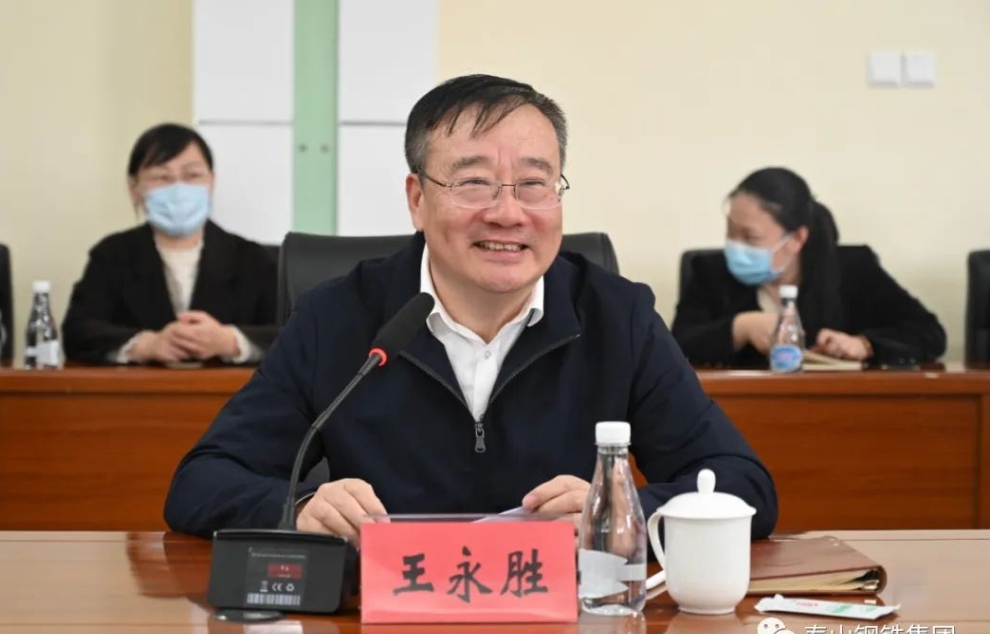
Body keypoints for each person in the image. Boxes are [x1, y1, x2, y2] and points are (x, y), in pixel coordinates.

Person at [164, 75, 778, 545]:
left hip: (564, 633)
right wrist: (297, 509)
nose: (508, 213)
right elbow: (201, 482)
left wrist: (621, 513)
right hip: (381, 630)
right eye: (473, 182)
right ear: (417, 199)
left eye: (534, 184)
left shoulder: (619, 316)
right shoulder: (338, 317)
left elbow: (743, 484)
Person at [672, 167, 946, 368]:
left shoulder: (852, 269)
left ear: (797, 239)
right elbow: (676, 346)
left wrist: (865, 344)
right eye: (731, 232)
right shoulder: (711, 273)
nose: (736, 245)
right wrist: (739, 328)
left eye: (751, 237)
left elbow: (929, 333)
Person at [62, 123, 278, 365]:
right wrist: (146, 345)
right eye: (161, 177)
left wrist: (230, 341)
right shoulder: (111, 255)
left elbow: (294, 333)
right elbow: (77, 332)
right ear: (134, 188)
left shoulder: (251, 258)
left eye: (193, 175)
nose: (179, 189)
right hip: (140, 389)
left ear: (212, 181)